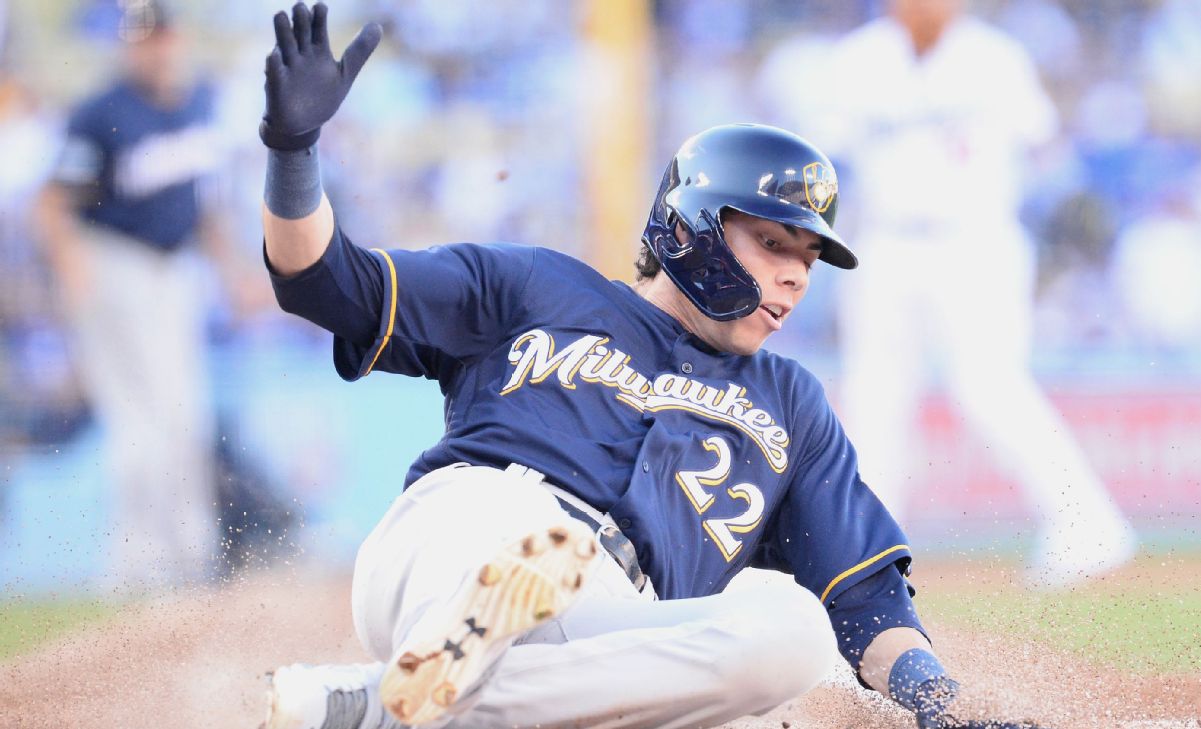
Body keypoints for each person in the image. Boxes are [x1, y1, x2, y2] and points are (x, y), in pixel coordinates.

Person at [257, 4, 1042, 728]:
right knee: (529, 545)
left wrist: (938, 704)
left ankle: (387, 702)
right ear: (693, 227)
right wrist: (293, 154)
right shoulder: (537, 286)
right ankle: (418, 679)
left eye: (808, 257)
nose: (796, 276)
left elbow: (866, 601)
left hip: (610, 619)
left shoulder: (791, 404)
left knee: (797, 633)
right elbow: (328, 284)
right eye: (774, 243)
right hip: (469, 528)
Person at [805, 0, 1137, 588]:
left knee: (990, 386)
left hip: (975, 242)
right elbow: (825, 158)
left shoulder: (993, 58)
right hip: (883, 241)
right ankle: (870, 551)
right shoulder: (857, 60)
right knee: (875, 395)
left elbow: (1044, 143)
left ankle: (1087, 524)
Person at [33, 0, 260, 589]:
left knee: (186, 415)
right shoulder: (101, 112)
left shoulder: (200, 101)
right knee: (140, 421)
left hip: (175, 272)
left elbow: (203, 203)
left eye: (160, 36)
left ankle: (192, 555)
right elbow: (54, 204)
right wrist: (74, 272)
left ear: (177, 38)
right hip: (114, 265)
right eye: (141, 39)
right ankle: (137, 565)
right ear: (127, 46)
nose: (153, 48)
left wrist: (232, 271)